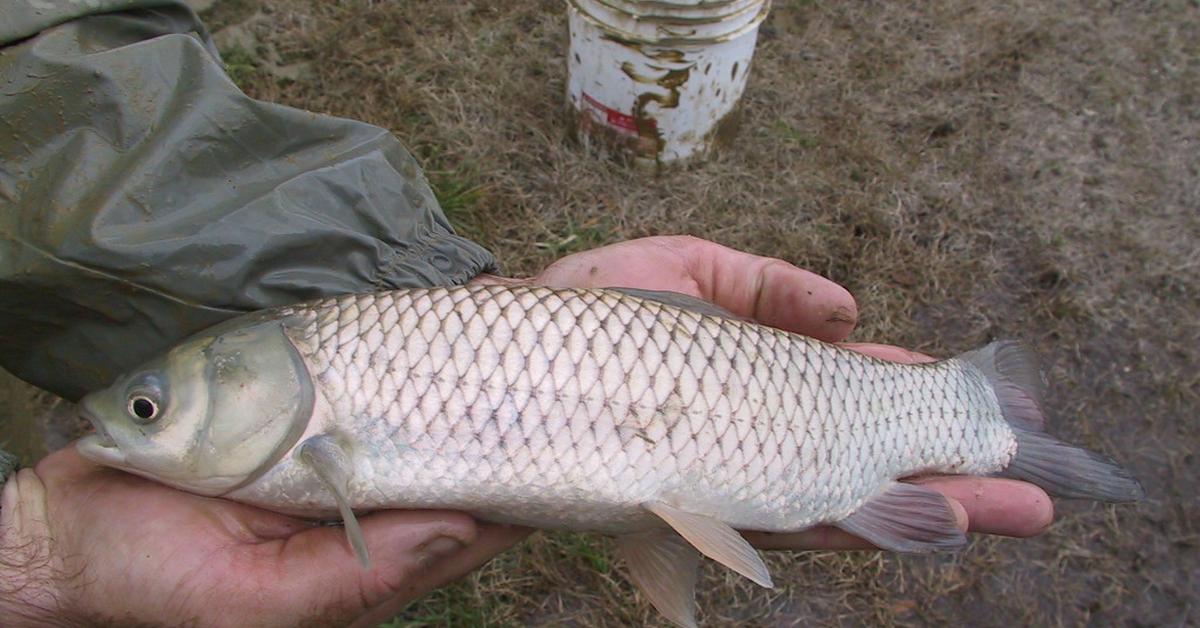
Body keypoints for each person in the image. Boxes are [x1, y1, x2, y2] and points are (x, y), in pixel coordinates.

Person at [0, 1, 1053, 625]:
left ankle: (974, 411)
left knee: (794, 454)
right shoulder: (304, 404)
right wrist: (41, 550)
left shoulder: (324, 392)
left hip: (776, 411)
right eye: (148, 409)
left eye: (146, 410)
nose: (122, 425)